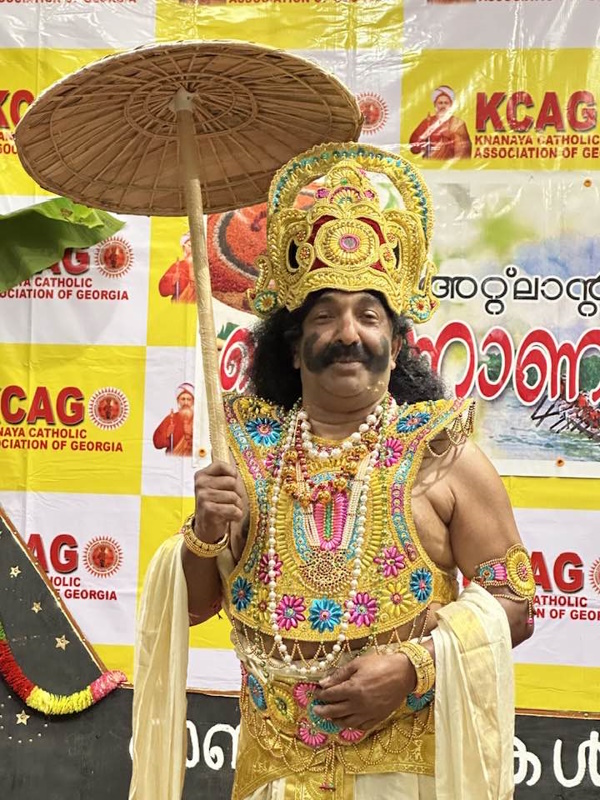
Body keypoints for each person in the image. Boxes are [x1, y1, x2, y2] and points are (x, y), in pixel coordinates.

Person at [129, 143, 535, 800]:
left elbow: (514, 604)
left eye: (368, 316)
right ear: (293, 349)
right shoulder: (246, 453)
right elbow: (197, 604)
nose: (348, 333)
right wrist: (204, 532)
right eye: (325, 316)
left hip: (404, 777)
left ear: (396, 345)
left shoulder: (444, 456)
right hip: (274, 775)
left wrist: (413, 669)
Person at [409, 86, 472, 160]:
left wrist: (450, 136)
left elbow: (464, 149)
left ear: (450, 105)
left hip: (450, 164)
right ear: (435, 105)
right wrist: (425, 135)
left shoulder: (458, 123)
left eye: (446, 103)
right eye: (440, 103)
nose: (443, 106)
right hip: (430, 163)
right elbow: (414, 147)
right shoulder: (427, 122)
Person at [152, 383, 194, 457]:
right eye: (183, 399)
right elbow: (157, 443)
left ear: (193, 401)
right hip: (174, 459)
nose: (186, 403)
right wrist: (167, 434)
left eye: (189, 399)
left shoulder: (199, 420)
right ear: (178, 401)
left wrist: (192, 433)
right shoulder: (171, 419)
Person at [158, 232, 196, 303]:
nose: (192, 250)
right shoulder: (178, 266)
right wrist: (172, 279)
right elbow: (162, 290)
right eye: (189, 246)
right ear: (184, 247)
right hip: (181, 303)